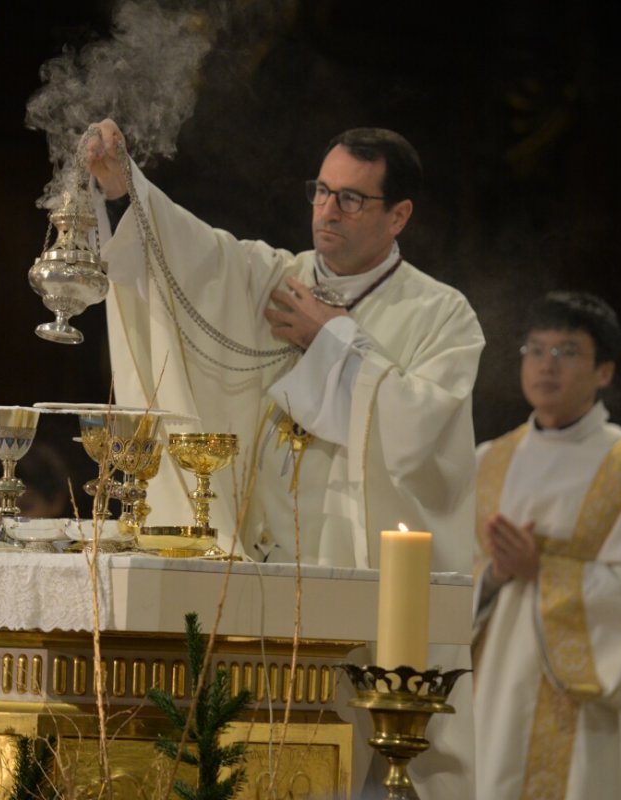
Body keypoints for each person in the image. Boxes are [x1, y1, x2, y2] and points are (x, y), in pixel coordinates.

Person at [86, 119, 483, 798]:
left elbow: (424, 436)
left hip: (368, 587)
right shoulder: (276, 278)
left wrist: (335, 341)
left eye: (351, 199)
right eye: (321, 192)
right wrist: (127, 187)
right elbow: (196, 258)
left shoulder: (442, 315)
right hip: (265, 580)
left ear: (399, 215)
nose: (327, 211)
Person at [472, 291, 621, 800]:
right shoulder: (489, 460)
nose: (547, 365)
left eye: (567, 352)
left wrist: (542, 568)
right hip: (495, 694)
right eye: (535, 349)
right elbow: (449, 575)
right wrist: (495, 575)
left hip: (587, 717)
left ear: (604, 371)